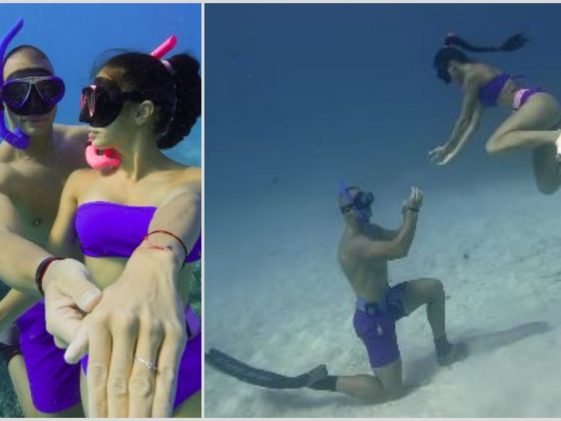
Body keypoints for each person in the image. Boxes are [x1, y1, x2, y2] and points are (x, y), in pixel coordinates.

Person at [0, 19, 199, 418]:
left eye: (48, 90)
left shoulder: (90, 148)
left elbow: (184, 200)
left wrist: (158, 254)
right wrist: (45, 278)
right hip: (54, 306)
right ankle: (10, 350)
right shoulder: (66, 178)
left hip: (174, 341)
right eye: (18, 93)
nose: (36, 105)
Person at [207, 184, 466, 403]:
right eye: (361, 202)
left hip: (390, 301)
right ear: (347, 212)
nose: (367, 204)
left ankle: (443, 349)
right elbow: (400, 250)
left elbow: (397, 237)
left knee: (433, 288)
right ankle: (323, 381)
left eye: (367, 198)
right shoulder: (354, 245)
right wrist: (412, 212)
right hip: (374, 322)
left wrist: (405, 216)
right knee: (390, 393)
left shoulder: (370, 230)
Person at [429, 32, 561, 195]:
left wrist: (448, 146)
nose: (450, 80)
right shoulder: (477, 85)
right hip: (543, 117)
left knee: (494, 145)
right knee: (547, 185)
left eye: (445, 74)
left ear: (452, 64)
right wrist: (451, 153)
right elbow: (472, 126)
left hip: (538, 103)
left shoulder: (472, 75)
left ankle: (558, 137)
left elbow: (463, 119)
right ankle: (556, 138)